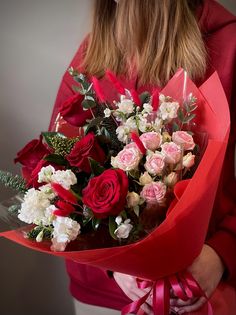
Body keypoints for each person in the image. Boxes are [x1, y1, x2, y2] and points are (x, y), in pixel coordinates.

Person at [49, 0, 236, 314]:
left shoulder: (227, 46)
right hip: (103, 292)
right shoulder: (91, 55)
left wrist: (222, 252)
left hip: (202, 287)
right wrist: (115, 263)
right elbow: (54, 173)